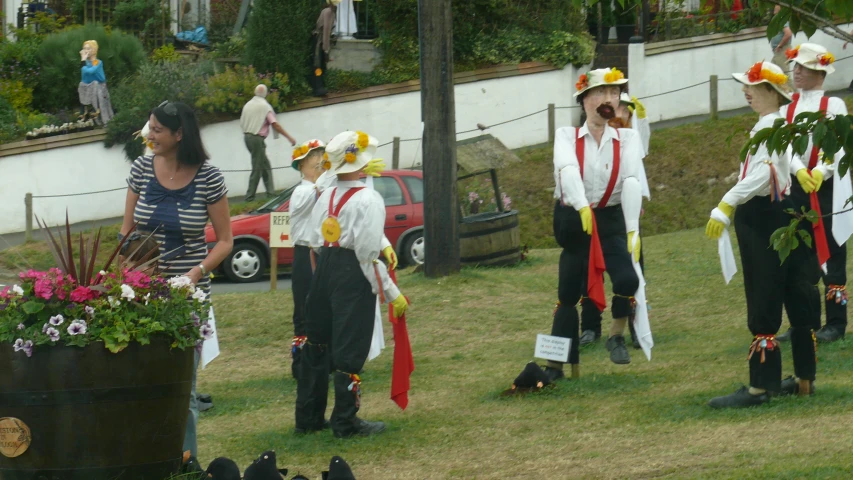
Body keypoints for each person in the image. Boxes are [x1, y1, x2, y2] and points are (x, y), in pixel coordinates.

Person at [121, 100, 234, 456]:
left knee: (182, 387)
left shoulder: (209, 177)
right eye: (149, 127)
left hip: (187, 298)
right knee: (140, 383)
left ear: (178, 134)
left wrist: (194, 274)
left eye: (156, 129)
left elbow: (225, 241)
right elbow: (126, 232)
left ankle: (185, 463)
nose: (149, 134)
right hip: (142, 292)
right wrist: (132, 272)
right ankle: (147, 461)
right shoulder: (141, 168)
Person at [705, 61, 820, 408]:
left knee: (764, 290)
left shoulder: (770, 127)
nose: (747, 92)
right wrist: (800, 172)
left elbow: (763, 174)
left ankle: (760, 387)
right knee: (797, 288)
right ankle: (804, 380)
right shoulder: (778, 125)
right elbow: (786, 158)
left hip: (762, 215)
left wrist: (726, 203)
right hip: (787, 209)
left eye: (752, 88)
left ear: (770, 93)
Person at [295, 130, 409, 438]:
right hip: (350, 271)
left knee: (317, 342)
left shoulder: (328, 194)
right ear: (362, 163)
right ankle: (345, 421)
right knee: (349, 346)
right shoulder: (369, 199)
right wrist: (392, 292)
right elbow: (367, 255)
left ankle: (308, 417)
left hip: (325, 269)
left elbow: (317, 240)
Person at [546, 68, 644, 382]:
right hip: (574, 218)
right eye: (601, 93)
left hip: (609, 216)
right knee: (568, 293)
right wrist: (579, 205)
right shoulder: (566, 135)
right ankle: (556, 364)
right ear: (585, 99)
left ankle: (615, 335)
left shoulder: (628, 137)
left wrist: (632, 229)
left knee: (628, 279)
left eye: (614, 93)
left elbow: (631, 181)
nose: (609, 99)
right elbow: (567, 168)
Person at [288, 140, 395, 380]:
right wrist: (339, 168)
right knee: (306, 311)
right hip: (307, 254)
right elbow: (320, 194)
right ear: (301, 164)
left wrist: (351, 169)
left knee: (333, 310)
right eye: (313, 158)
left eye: (321, 156)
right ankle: (303, 364)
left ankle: (333, 361)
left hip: (326, 254)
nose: (318, 162)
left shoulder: (330, 190)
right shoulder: (302, 191)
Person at [776, 43, 852, 345]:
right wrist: (797, 170)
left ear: (819, 71)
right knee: (798, 254)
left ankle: (836, 322)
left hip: (827, 186)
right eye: (794, 66)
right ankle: (803, 322)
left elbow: (839, 143)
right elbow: (781, 146)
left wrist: (822, 170)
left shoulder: (833, 105)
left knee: (832, 251)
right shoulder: (786, 108)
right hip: (797, 185)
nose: (796, 71)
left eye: (802, 67)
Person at [579, 92, 651, 349]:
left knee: (633, 267)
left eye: (625, 110)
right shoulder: (595, 135)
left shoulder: (630, 137)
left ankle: (634, 324)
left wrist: (640, 119)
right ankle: (589, 325)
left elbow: (643, 149)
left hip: (626, 212)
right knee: (589, 267)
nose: (620, 113)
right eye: (618, 107)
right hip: (597, 210)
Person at [240, 84, 296, 202]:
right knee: (257, 167)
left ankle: (270, 194)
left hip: (247, 137)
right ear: (265, 94)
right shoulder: (265, 106)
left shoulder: (248, 105)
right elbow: (275, 124)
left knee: (265, 166)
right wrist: (289, 138)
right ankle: (249, 198)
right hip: (257, 138)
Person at [77, 40, 114, 125]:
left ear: (94, 50)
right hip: (89, 86)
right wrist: (83, 63)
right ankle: (84, 113)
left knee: (95, 84)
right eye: (84, 48)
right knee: (81, 85)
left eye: (88, 48)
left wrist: (83, 61)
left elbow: (91, 71)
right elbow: (84, 78)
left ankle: (96, 111)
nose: (86, 50)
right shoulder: (85, 63)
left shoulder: (97, 62)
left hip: (99, 85)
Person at [309, 0, 341, 97]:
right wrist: (326, 48)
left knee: (319, 63)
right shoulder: (330, 12)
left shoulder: (328, 11)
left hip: (319, 40)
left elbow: (327, 30)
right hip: (320, 40)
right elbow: (327, 30)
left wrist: (326, 47)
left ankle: (319, 87)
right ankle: (318, 87)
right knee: (319, 63)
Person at [769, 5, 793, 85]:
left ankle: (794, 95)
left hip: (782, 49)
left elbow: (788, 33)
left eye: (777, 5)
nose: (775, 6)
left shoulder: (782, 19)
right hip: (779, 51)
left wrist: (780, 45)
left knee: (784, 74)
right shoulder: (779, 20)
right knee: (773, 72)